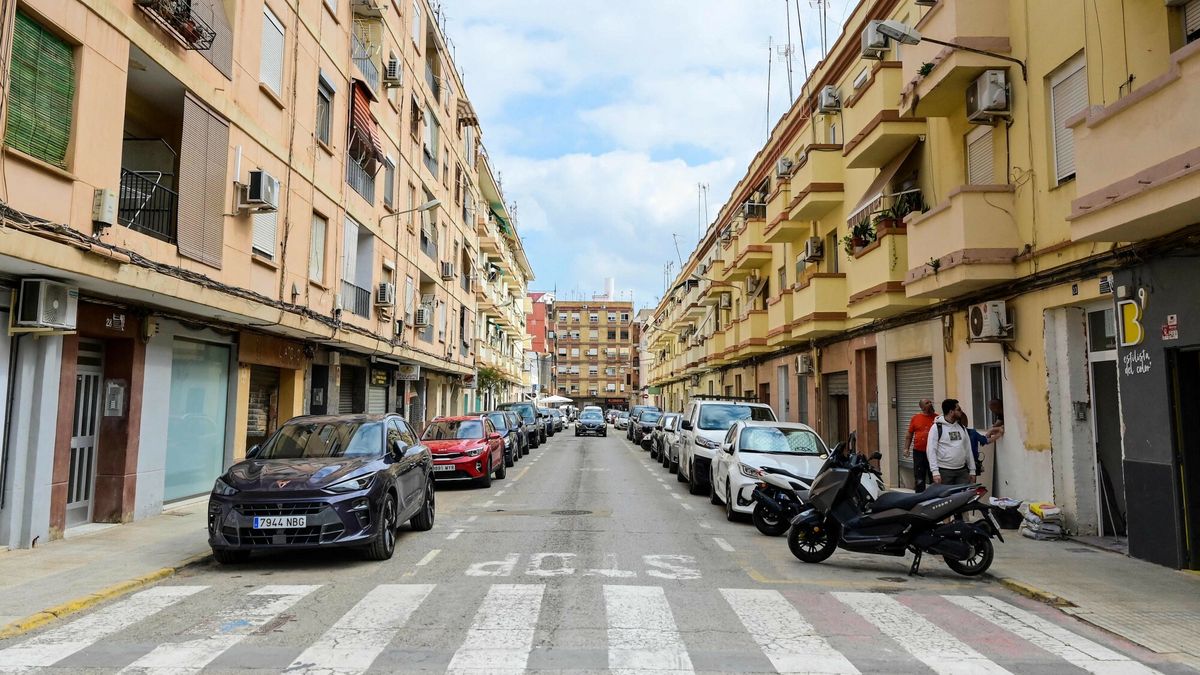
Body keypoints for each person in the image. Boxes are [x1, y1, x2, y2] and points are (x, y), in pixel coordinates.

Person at [927, 399, 977, 486]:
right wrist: (935, 472)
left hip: (962, 471)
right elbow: (931, 450)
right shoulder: (936, 428)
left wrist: (972, 470)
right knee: (946, 498)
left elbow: (968, 449)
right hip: (944, 472)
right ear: (951, 412)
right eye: (958, 409)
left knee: (963, 497)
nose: (961, 412)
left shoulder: (961, 427)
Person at [904, 398, 938, 492]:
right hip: (919, 453)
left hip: (933, 452)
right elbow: (909, 434)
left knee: (934, 476)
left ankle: (934, 496)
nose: (930, 404)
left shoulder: (937, 418)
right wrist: (906, 449)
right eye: (927, 403)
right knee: (919, 477)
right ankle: (919, 497)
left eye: (930, 402)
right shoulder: (916, 418)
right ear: (922, 407)